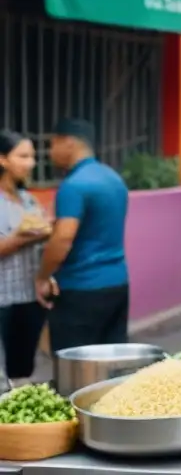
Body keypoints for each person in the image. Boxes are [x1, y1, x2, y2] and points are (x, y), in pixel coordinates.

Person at [37, 119, 131, 351]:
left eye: (52, 144)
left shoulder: (74, 185)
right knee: (112, 362)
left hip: (82, 289)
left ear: (68, 143)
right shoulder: (114, 179)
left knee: (76, 368)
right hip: (118, 284)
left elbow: (63, 238)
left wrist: (42, 276)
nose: (50, 152)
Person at [0, 132, 50, 385]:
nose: (30, 163)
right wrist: (28, 237)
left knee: (22, 373)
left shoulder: (28, 199)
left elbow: (43, 239)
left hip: (30, 298)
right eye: (23, 156)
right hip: (3, 300)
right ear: (3, 159)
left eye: (32, 157)